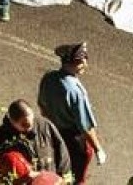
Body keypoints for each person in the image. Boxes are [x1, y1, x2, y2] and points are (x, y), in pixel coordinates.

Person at [38, 42, 106, 185]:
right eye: (82, 61)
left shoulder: (48, 78)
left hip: (54, 132)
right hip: (74, 139)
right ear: (74, 62)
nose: (85, 65)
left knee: (58, 167)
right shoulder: (75, 91)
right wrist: (98, 149)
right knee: (77, 175)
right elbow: (86, 126)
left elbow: (42, 106)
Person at [0, 99, 72, 183]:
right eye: (24, 125)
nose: (29, 127)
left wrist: (64, 177)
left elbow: (62, 153)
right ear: (12, 121)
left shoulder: (45, 125)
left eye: (30, 121)